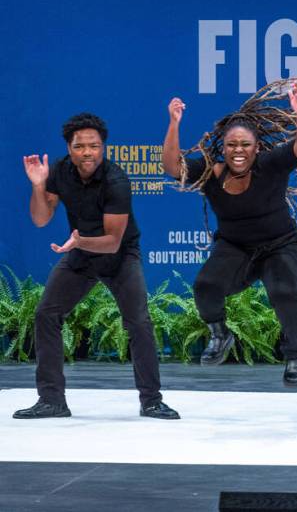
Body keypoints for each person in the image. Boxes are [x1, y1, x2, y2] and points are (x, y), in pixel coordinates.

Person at [14, 113, 179, 420]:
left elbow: (113, 241)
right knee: (46, 314)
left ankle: (152, 401)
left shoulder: (116, 180)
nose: (87, 152)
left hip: (119, 257)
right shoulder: (61, 172)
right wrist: (38, 186)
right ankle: (52, 401)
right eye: (80, 146)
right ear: (69, 147)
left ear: (103, 147)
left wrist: (78, 243)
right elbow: (40, 218)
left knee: (138, 323)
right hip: (81, 254)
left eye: (94, 146)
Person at [162, 82, 297, 387]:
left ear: (256, 148)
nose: (238, 151)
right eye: (232, 145)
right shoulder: (210, 171)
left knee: (285, 292)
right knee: (205, 285)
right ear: (224, 147)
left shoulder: (271, 164)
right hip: (236, 247)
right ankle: (220, 334)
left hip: (281, 244)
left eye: (245, 145)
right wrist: (174, 124)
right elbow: (171, 167)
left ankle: (294, 355)